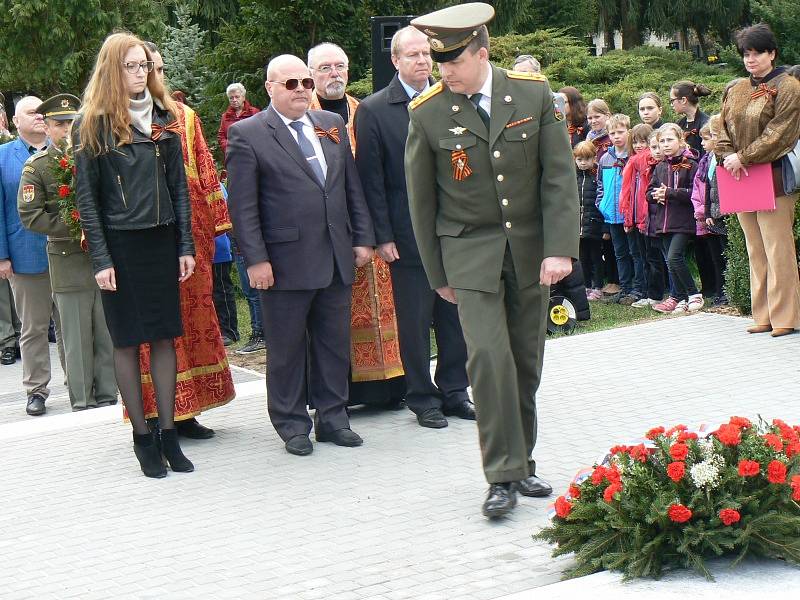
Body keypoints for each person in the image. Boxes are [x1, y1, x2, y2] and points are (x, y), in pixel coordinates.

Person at [405, 3, 579, 518]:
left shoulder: (531, 94)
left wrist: (559, 248)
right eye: (439, 64)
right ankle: (500, 474)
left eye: (453, 63)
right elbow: (422, 201)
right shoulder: (429, 112)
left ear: (481, 54)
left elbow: (557, 176)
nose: (444, 73)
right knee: (488, 359)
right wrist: (438, 274)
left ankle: (522, 461)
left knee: (526, 361)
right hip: (468, 255)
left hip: (529, 251)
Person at [226, 54, 375, 456]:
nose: (301, 90)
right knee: (287, 348)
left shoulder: (330, 125)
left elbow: (350, 187)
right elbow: (243, 206)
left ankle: (333, 418)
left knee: (333, 343)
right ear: (270, 88)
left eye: (306, 83)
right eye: (290, 83)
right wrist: (255, 260)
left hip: (334, 254)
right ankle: (291, 424)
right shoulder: (248, 133)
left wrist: (362, 238)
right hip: (284, 261)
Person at [74, 32, 195, 477]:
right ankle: (142, 437)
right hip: (120, 244)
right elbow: (88, 200)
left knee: (165, 336)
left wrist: (185, 245)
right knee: (127, 341)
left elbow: (178, 189)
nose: (140, 73)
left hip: (162, 242)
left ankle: (169, 434)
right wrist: (101, 260)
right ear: (111, 70)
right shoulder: (91, 122)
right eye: (130, 66)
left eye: (143, 65)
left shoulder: (165, 116)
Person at [354, 26, 471, 429]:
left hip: (455, 231)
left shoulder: (451, 97)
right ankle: (422, 397)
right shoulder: (373, 110)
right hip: (407, 237)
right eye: (414, 55)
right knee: (416, 320)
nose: (423, 61)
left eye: (427, 55)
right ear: (395, 60)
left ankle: (456, 389)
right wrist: (381, 236)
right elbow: (371, 180)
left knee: (456, 316)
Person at [137, 42, 235, 440]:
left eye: (157, 68)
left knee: (192, 323)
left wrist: (215, 225)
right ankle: (154, 416)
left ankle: (189, 410)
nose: (153, 75)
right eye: (145, 68)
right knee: (152, 328)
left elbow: (206, 172)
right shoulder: (115, 116)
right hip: (143, 236)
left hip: (189, 239)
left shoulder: (185, 115)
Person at [308, 42, 405, 407]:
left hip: (373, 224)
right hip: (330, 231)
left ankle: (387, 389)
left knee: (384, 307)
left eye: (340, 66)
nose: (334, 74)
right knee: (339, 313)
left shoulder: (365, 111)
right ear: (311, 74)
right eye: (325, 68)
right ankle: (340, 393)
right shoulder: (306, 115)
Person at [17, 94, 117, 411]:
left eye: (72, 122)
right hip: (67, 259)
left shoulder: (97, 156)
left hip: (102, 257)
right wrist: (76, 225)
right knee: (75, 334)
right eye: (59, 124)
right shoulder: (39, 166)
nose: (67, 129)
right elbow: (31, 215)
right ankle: (83, 398)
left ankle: (109, 393)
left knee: (104, 329)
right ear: (46, 127)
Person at [716, 24, 800, 337]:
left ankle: (785, 318)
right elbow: (720, 124)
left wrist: (744, 157)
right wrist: (727, 156)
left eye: (757, 52)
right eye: (746, 54)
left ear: (772, 53)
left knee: (778, 248)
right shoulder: (736, 87)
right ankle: (762, 314)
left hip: (774, 174)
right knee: (755, 248)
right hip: (739, 176)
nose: (751, 59)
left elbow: (781, 133)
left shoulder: (789, 86)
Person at [0, 95, 65, 416]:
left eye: (43, 112)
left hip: (69, 254)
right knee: (34, 327)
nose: (39, 117)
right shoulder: (3, 158)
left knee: (72, 321)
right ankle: (36, 390)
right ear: (15, 121)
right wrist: (1, 256)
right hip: (26, 256)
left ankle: (80, 382)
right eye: (31, 113)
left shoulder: (66, 151)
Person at [647, 123, 703, 314]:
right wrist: (656, 195)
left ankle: (694, 294)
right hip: (663, 223)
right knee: (670, 262)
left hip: (683, 222)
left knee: (674, 258)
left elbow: (695, 193)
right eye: (662, 141)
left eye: (670, 140)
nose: (665, 144)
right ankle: (679, 297)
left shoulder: (691, 164)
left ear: (681, 141)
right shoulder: (660, 166)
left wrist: (670, 193)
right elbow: (649, 191)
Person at [597, 113, 644, 305]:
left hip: (631, 215)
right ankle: (624, 288)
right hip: (612, 216)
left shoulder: (635, 157)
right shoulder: (605, 159)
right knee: (620, 253)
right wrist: (601, 205)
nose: (616, 136)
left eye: (620, 132)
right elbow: (600, 185)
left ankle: (639, 288)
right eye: (612, 133)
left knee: (636, 252)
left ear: (629, 132)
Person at [620, 124, 664, 309]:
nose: (639, 145)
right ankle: (646, 292)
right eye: (635, 141)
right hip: (637, 217)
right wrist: (628, 218)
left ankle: (656, 294)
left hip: (650, 217)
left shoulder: (651, 162)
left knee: (654, 258)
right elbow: (628, 194)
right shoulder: (632, 163)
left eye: (643, 141)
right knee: (642, 257)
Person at [690, 121, 727, 306]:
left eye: (708, 137)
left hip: (722, 213)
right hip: (710, 214)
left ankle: (726, 292)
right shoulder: (705, 161)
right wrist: (705, 212)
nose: (703, 142)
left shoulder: (721, 158)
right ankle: (720, 292)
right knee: (716, 256)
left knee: (724, 255)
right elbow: (705, 190)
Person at [574, 141, 604, 299]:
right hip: (578, 225)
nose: (583, 163)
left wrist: (604, 226)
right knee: (582, 257)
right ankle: (585, 286)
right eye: (579, 159)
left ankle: (597, 286)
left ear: (594, 158)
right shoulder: (574, 177)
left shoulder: (597, 175)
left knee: (596, 256)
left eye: (586, 159)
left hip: (594, 223)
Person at [217, 83, 259, 158]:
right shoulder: (225, 116)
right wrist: (229, 148)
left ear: (243, 97)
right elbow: (221, 136)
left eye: (237, 97)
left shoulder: (254, 113)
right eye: (231, 98)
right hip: (233, 156)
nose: (234, 100)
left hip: (252, 156)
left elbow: (260, 134)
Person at [671, 81, 712, 158]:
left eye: (672, 100)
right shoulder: (679, 124)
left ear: (683, 100)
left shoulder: (706, 123)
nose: (671, 104)